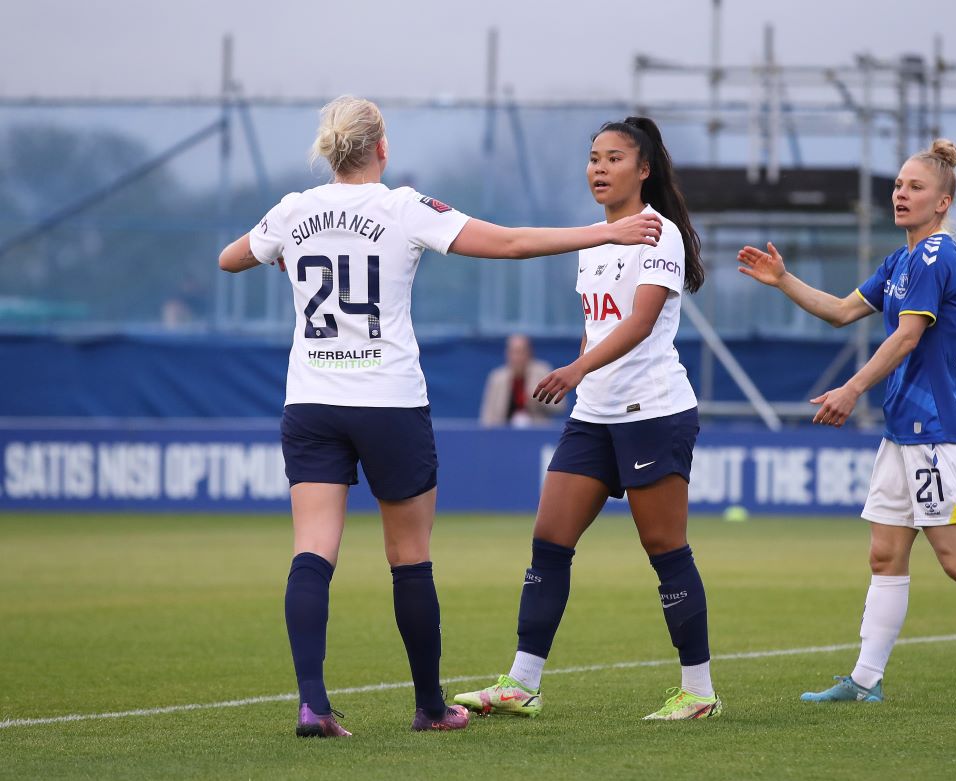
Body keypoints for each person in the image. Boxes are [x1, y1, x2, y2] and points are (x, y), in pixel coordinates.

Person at [217, 96, 662, 737]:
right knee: (409, 555)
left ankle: (313, 704)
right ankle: (429, 706)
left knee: (313, 550)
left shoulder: (294, 210)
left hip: (311, 401)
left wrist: (282, 252)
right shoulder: (404, 206)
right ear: (382, 148)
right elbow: (506, 243)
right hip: (388, 400)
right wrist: (604, 231)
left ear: (330, 151)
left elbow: (231, 258)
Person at [737, 139, 956, 707]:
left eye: (915, 187)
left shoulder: (939, 257)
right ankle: (865, 681)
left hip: (934, 433)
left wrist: (851, 388)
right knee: (885, 554)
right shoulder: (900, 261)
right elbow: (842, 311)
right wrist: (784, 281)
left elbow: (909, 334)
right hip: (901, 434)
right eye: (897, 185)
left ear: (943, 201)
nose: (901, 194)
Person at [454, 116, 722, 721]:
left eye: (613, 158)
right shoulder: (596, 238)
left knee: (665, 550)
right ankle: (522, 683)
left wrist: (574, 370)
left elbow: (639, 323)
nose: (598, 168)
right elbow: (599, 325)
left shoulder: (660, 235)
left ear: (644, 169)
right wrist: (583, 374)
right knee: (549, 541)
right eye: (593, 158)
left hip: (653, 412)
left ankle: (700, 692)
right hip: (594, 416)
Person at [479, 334, 559, 427]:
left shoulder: (542, 372)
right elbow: (487, 416)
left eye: (521, 352)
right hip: (503, 433)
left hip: (536, 431)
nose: (517, 357)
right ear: (507, 354)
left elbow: (559, 406)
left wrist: (537, 398)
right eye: (513, 352)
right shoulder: (497, 378)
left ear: (529, 353)